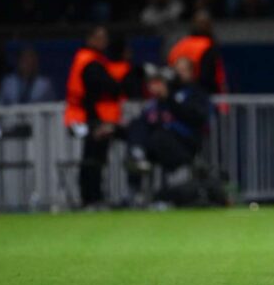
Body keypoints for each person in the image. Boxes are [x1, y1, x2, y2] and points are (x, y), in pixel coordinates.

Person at [126, 58, 214, 204]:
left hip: (184, 141)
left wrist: (169, 98)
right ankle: (137, 159)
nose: (178, 73)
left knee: (160, 138)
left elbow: (196, 118)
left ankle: (167, 195)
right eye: (176, 69)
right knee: (138, 128)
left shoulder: (195, 93)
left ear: (191, 73)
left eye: (183, 70)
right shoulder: (161, 96)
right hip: (159, 142)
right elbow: (149, 120)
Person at [63, 26, 131, 207]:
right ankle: (91, 197)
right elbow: (97, 90)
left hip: (87, 116)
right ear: (90, 39)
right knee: (92, 157)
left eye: (105, 37)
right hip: (86, 117)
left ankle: (92, 196)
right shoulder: (89, 62)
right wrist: (98, 122)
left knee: (94, 157)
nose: (104, 41)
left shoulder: (94, 60)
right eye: (100, 37)